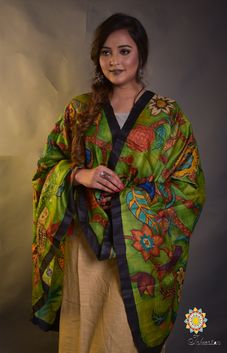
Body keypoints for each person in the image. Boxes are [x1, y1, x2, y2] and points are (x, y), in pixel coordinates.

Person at [31, 13, 206, 353]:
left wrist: (133, 201)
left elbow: (190, 187)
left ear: (141, 54)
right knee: (81, 332)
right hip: (85, 245)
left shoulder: (168, 116)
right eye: (106, 52)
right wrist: (81, 175)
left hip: (138, 251)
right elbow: (47, 166)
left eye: (124, 51)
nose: (115, 61)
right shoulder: (81, 110)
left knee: (122, 338)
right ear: (97, 58)